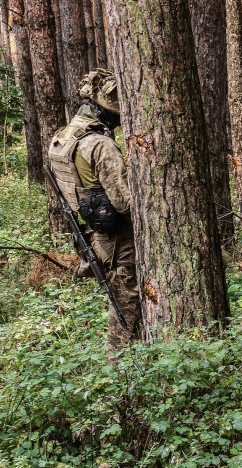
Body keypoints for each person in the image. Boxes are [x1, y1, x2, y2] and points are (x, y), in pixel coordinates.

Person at [47, 69, 140, 351]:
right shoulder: (99, 144)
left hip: (92, 231)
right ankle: (120, 369)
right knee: (126, 300)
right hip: (115, 237)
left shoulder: (65, 137)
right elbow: (125, 202)